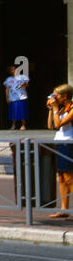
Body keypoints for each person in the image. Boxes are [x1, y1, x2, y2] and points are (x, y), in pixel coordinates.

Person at [46, 84, 73, 218]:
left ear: (65, 96)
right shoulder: (61, 109)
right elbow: (51, 126)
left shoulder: (72, 108)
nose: (54, 98)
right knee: (61, 178)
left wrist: (55, 108)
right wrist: (51, 110)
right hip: (60, 143)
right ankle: (64, 209)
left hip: (69, 144)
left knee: (70, 178)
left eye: (56, 95)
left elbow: (58, 124)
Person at [3, 65, 29, 130]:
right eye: (12, 70)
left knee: (22, 111)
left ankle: (23, 125)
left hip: (21, 97)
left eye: (15, 69)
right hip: (12, 97)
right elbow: (7, 89)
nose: (14, 70)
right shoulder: (8, 79)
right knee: (13, 111)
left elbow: (27, 84)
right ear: (10, 71)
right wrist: (7, 98)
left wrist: (23, 84)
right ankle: (13, 125)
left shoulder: (23, 77)